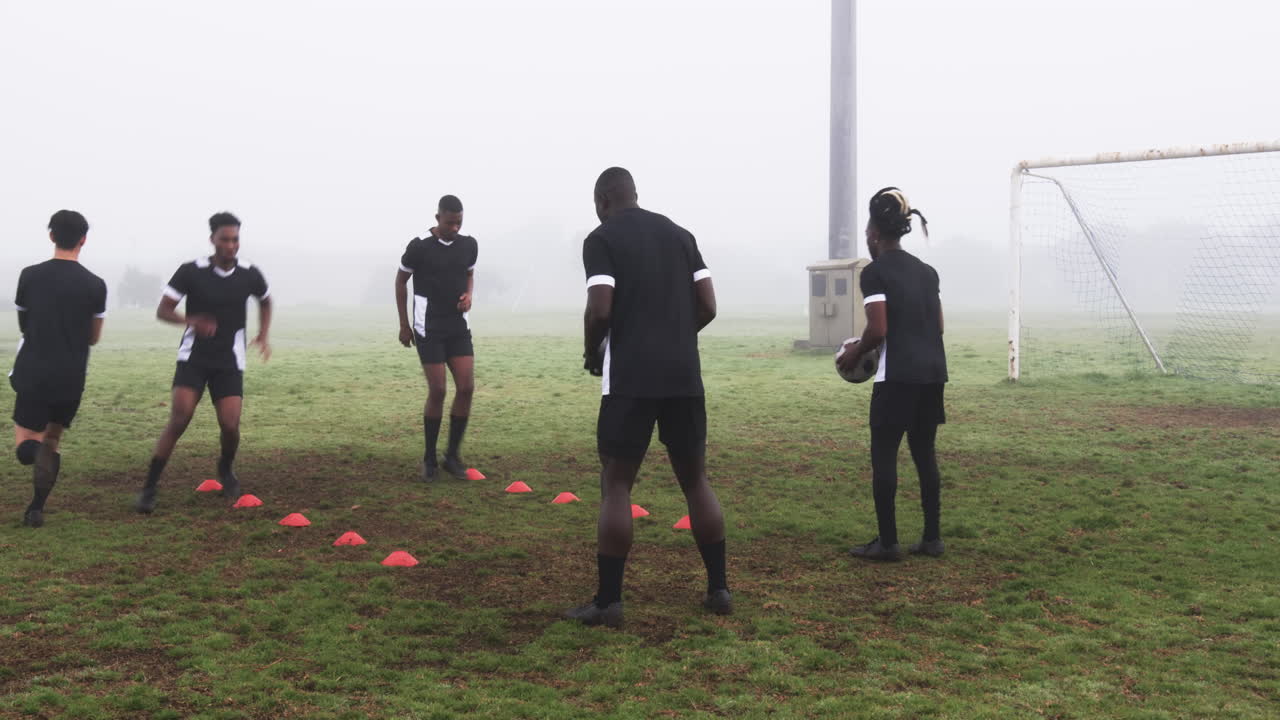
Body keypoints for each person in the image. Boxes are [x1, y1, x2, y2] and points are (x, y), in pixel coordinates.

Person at [566, 167, 729, 629]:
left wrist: (592, 350)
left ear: (602, 201)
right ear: (635, 195)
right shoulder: (681, 234)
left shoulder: (602, 238)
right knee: (695, 479)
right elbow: (709, 305)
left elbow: (601, 307)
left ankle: (608, 601)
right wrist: (675, 336)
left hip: (632, 376)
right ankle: (719, 588)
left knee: (616, 483)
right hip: (684, 374)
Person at [135, 212, 271, 513]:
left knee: (230, 425)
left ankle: (225, 467)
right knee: (180, 418)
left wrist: (263, 333)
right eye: (225, 239)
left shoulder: (250, 273)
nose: (231, 245)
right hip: (194, 358)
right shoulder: (190, 271)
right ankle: (149, 487)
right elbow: (164, 310)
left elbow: (266, 299)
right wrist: (190, 320)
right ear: (212, 240)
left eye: (235, 239)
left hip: (229, 360)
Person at [838, 187, 947, 561]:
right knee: (924, 454)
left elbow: (879, 329)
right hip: (933, 372)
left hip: (898, 375)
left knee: (884, 456)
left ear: (873, 233)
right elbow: (940, 325)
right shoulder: (927, 272)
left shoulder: (875, 272)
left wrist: (855, 352)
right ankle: (932, 538)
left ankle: (887, 543)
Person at [9, 210, 107, 527]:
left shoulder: (29, 275)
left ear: (51, 236)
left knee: (27, 448)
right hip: (71, 376)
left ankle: (35, 454)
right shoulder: (96, 285)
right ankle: (36, 508)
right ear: (84, 240)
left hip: (34, 371)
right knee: (51, 443)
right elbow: (94, 337)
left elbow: (24, 324)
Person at [394, 195, 478, 482]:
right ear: (437, 217)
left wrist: (469, 295)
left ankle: (451, 456)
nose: (454, 227)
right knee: (439, 390)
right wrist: (404, 324)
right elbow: (400, 281)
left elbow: (469, 274)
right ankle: (429, 458)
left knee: (466, 387)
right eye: (449, 222)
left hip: (457, 325)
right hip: (428, 327)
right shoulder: (419, 247)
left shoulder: (469, 245)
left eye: (459, 222)